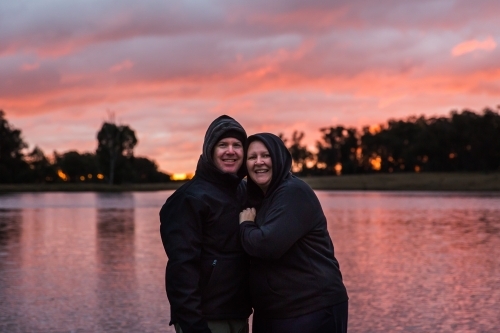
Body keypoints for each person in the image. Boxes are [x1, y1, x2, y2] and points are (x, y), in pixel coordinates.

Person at [239, 133, 348, 333]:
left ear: (279, 158)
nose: (259, 162)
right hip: (276, 311)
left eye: (266, 155)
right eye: (252, 157)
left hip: (311, 309)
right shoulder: (260, 197)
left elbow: (267, 245)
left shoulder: (293, 192)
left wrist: (246, 225)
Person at [160, 115, 252, 333]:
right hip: (205, 320)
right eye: (223, 145)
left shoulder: (243, 192)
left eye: (237, 145)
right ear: (210, 150)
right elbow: (181, 268)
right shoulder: (188, 199)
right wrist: (193, 324)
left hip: (238, 315)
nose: (231, 151)